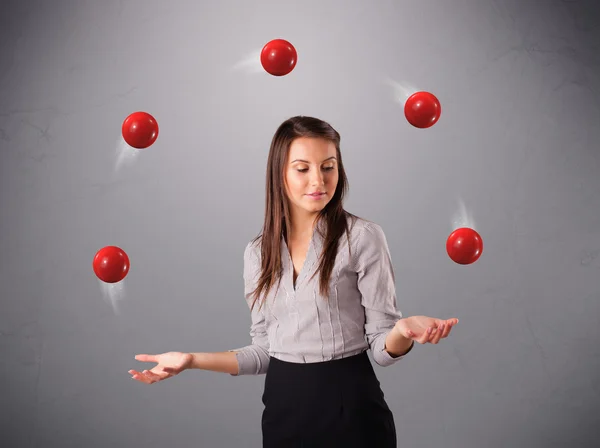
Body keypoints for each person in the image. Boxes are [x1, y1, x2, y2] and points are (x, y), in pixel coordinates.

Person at [129, 116, 459, 447]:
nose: (319, 180)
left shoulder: (363, 238)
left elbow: (382, 349)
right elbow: (264, 352)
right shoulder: (257, 252)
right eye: (303, 169)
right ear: (280, 174)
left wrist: (402, 330)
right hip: (283, 407)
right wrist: (191, 360)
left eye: (328, 167)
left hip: (352, 406)